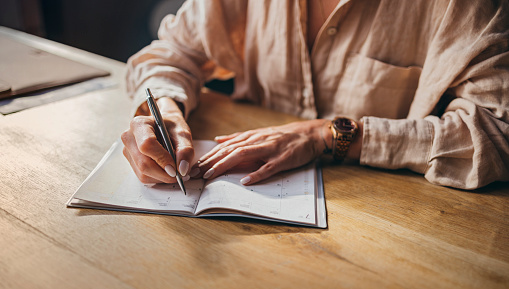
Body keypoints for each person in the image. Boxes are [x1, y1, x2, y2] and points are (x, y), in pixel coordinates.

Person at [121, 0, 509, 190]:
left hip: (391, 228)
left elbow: (496, 133)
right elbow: (170, 52)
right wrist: (166, 111)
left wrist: (328, 135)